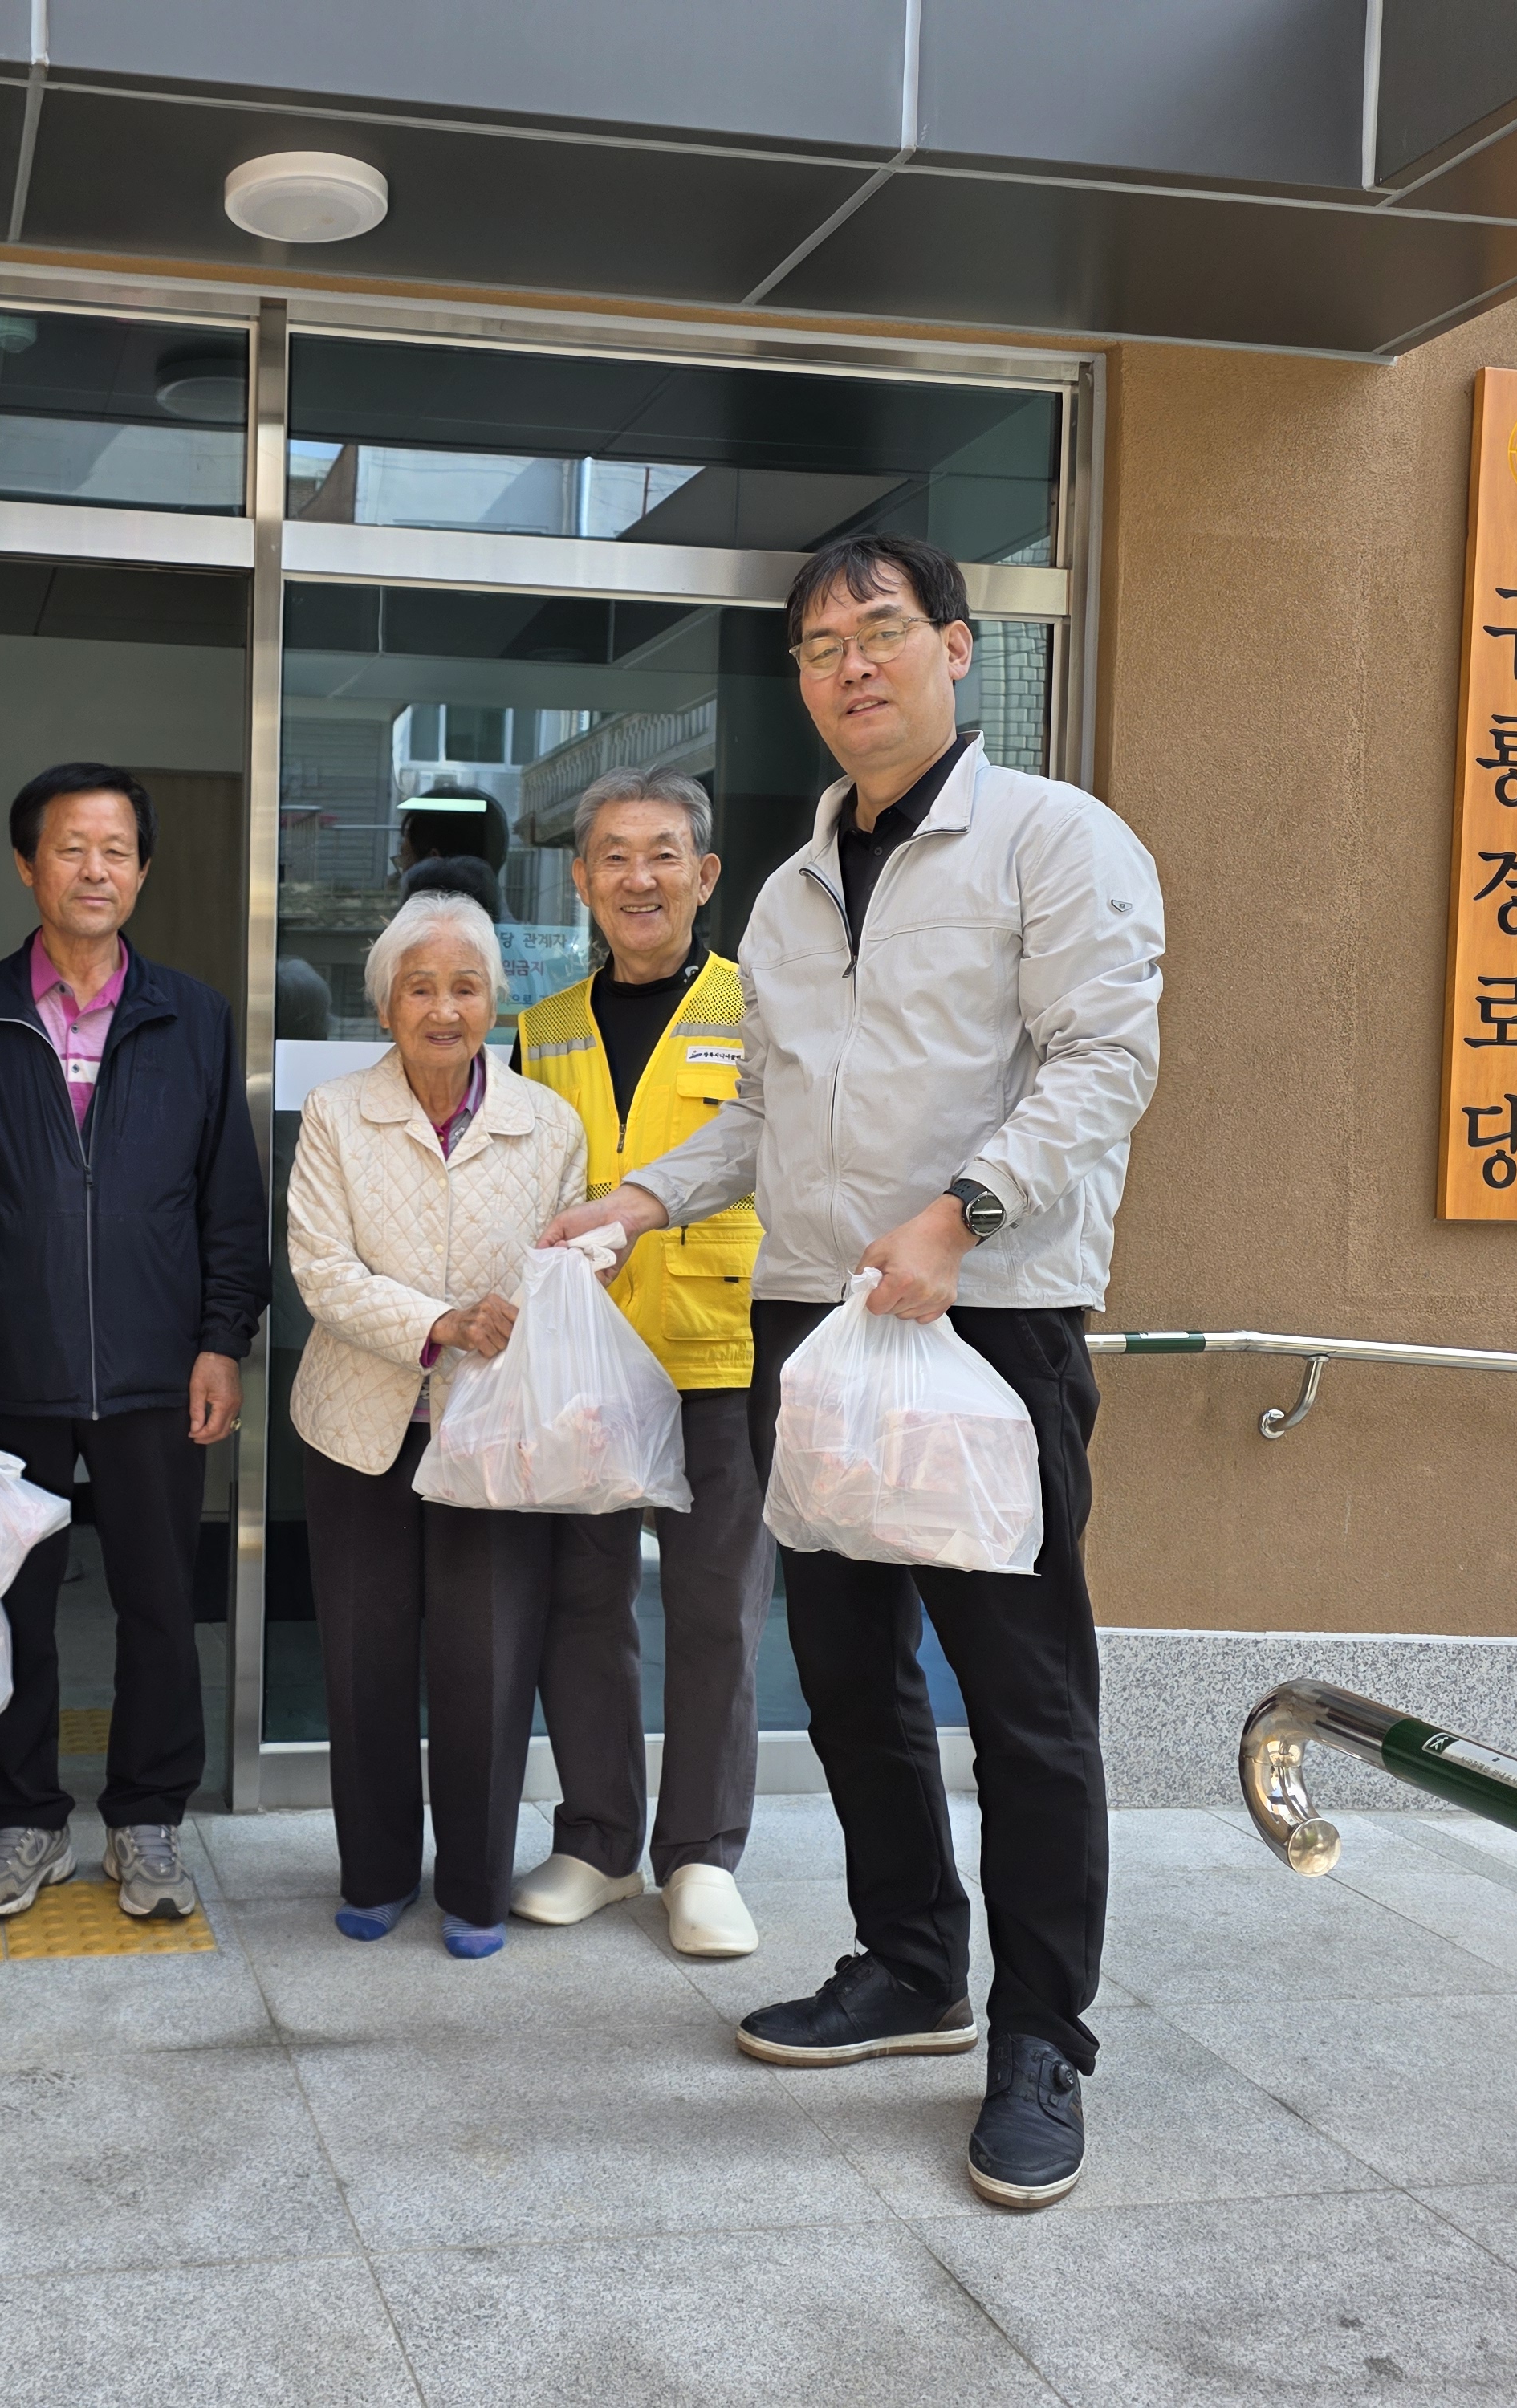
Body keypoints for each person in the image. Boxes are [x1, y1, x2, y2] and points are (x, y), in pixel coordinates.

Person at [543, 532, 1165, 2209]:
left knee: (1022, 1706)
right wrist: (636, 1194)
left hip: (981, 1319)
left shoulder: (1052, 840)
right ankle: (909, 1965)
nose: (847, 667)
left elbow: (1106, 1058)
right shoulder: (794, 880)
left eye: (877, 632)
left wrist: (960, 1218)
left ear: (955, 648)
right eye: (817, 648)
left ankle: (1041, 2034)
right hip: (813, 1324)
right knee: (845, 1669)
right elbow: (756, 1112)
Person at [0, 764, 268, 1925]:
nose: (95, 870)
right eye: (71, 848)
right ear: (28, 865)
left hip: (156, 1365)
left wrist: (222, 1337)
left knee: (160, 1601)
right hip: (3, 1367)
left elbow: (229, 1194)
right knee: (8, 1603)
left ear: (142, 870)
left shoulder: (193, 1013)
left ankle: (148, 1822)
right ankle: (23, 1823)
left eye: (116, 849)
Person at [286, 890, 588, 1959]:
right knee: (366, 1659)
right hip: (359, 1425)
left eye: (466, 987)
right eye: (421, 987)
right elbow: (321, 1269)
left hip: (494, 1429)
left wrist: (549, 1295)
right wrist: (441, 1323)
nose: (444, 1008)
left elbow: (569, 1265)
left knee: (487, 1663)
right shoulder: (335, 1115)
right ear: (386, 1007)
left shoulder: (549, 1122)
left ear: (495, 1004)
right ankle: (372, 1871)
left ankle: (474, 1886)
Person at [506, 767, 771, 1960]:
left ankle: (703, 1857)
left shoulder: (760, 1012)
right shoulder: (544, 1025)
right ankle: (598, 1841)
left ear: (705, 875)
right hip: (586, 1360)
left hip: (720, 1347)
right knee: (584, 1602)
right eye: (612, 855)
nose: (638, 878)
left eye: (663, 853)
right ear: (579, 879)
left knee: (716, 1609)